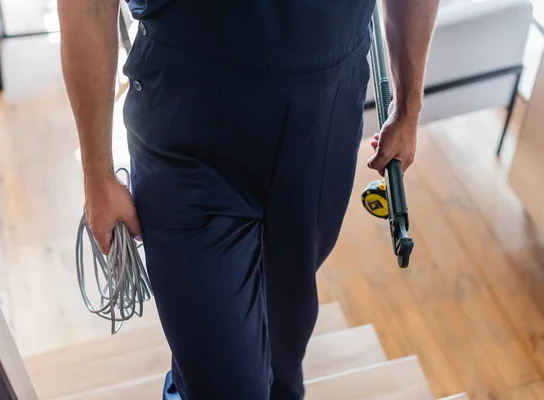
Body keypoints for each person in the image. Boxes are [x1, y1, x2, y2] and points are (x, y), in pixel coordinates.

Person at [58, 0, 439, 398]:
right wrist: (97, 174)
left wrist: (408, 108)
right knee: (225, 383)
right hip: (188, 130)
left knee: (282, 349)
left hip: (323, 120)